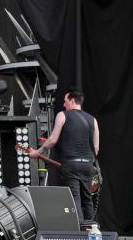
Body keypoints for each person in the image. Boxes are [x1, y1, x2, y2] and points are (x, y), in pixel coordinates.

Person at [28, 88, 100, 221]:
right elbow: (96, 147)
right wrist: (88, 162)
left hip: (71, 164)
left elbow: (52, 140)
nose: (63, 104)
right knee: (87, 199)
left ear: (72, 101)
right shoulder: (93, 120)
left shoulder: (62, 115)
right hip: (87, 165)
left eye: (65, 101)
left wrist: (37, 152)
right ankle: (91, 231)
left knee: (75, 199)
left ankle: (79, 234)